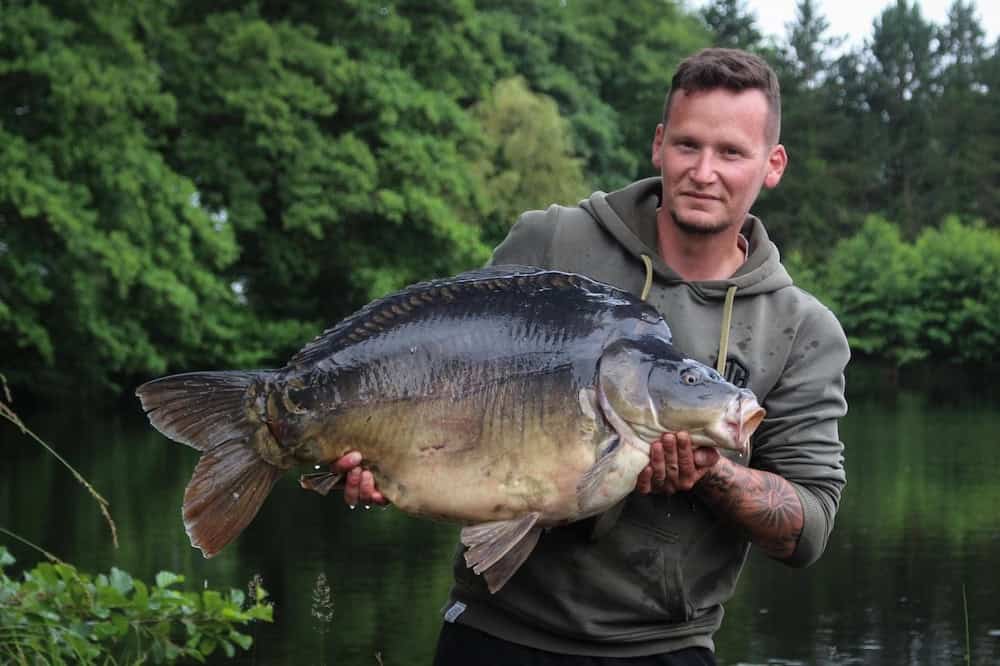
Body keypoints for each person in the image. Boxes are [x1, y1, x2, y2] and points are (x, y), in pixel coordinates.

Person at [335, 47, 849, 665]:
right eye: (687, 145)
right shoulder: (553, 239)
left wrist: (712, 475)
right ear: (659, 145)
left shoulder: (802, 330)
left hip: (665, 646)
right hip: (495, 630)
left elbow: (808, 528)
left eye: (731, 153)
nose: (703, 171)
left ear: (772, 165)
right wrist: (388, 458)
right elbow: (451, 366)